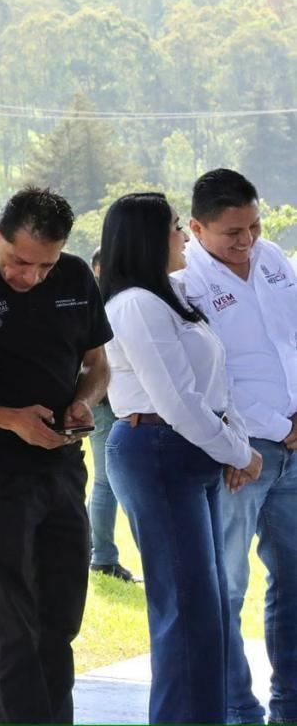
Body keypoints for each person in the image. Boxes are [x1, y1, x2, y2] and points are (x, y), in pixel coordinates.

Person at [0, 187, 112, 724]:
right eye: (20, 262)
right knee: (12, 618)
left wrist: (84, 402)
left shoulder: (75, 278)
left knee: (61, 616)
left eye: (45, 265)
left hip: (64, 468)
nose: (31, 277)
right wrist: (10, 419)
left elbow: (97, 364)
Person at [99, 191, 262, 724]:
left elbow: (214, 383)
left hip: (191, 452)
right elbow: (175, 399)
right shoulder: (136, 305)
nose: (182, 236)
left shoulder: (171, 294)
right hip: (158, 451)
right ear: (149, 238)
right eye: (174, 227)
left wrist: (233, 443)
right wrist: (240, 451)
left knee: (207, 610)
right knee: (186, 614)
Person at [173, 169, 297, 724]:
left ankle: (290, 705)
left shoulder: (272, 258)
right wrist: (275, 423)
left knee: (294, 582)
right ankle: (235, 708)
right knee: (226, 585)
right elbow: (210, 377)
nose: (246, 241)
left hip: (294, 443)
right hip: (242, 454)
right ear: (197, 228)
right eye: (231, 233)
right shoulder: (185, 283)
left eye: (253, 225)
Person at [87, 247, 137, 583]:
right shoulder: (105, 305)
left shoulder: (98, 302)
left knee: (107, 483)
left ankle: (101, 553)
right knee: (106, 483)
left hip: (108, 404)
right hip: (106, 405)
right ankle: (102, 556)